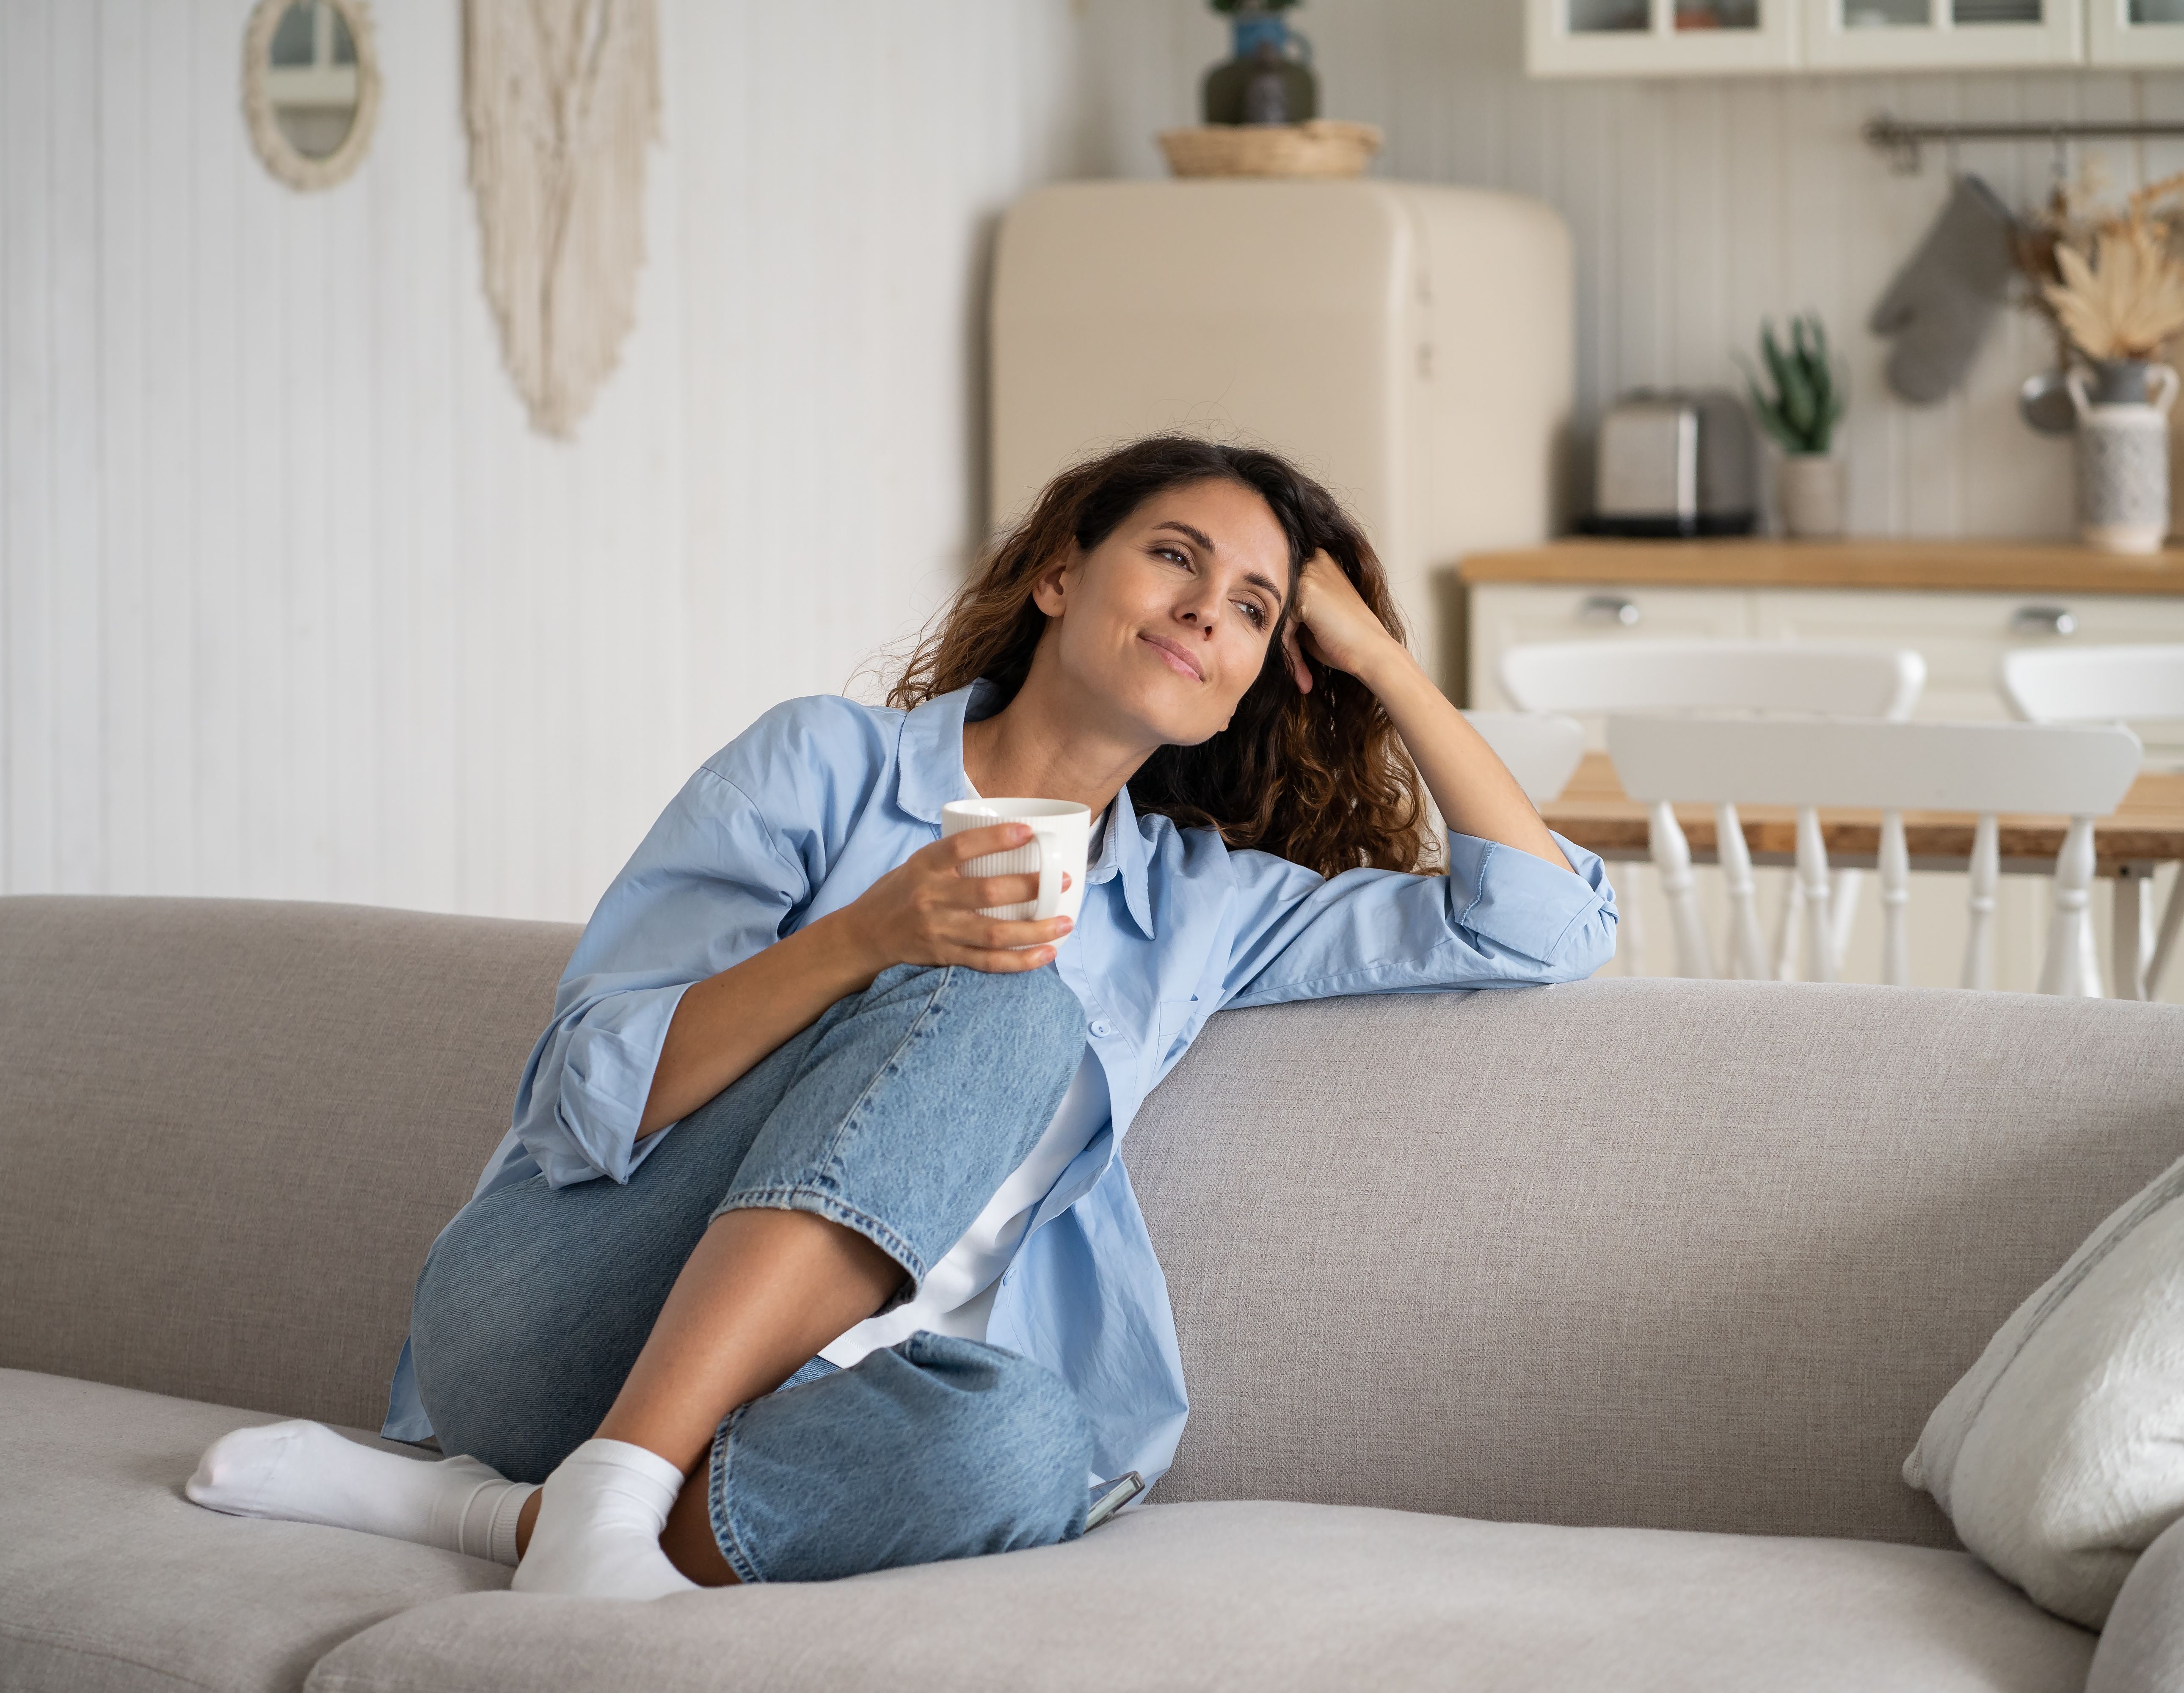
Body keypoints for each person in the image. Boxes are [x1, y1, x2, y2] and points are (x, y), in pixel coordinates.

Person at [182, 435, 1616, 1598]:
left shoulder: (1200, 906)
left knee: (1032, 1445)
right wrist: (870, 939)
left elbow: (1540, 926)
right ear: (1059, 575)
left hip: (817, 1412)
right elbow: (587, 1089)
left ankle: (519, 1524)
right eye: (1177, 557)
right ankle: (609, 1481)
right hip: (553, 1320)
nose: (1206, 610)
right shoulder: (822, 765)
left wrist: (1381, 660)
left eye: (1255, 608)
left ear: (1259, 675)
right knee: (1012, 1001)